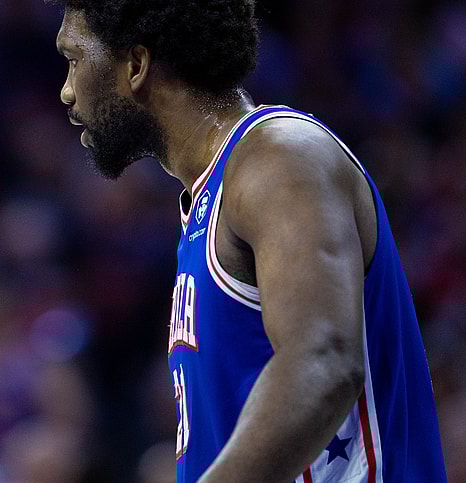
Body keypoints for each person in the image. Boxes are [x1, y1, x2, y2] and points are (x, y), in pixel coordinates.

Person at [48, 1, 448, 481]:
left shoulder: (279, 157)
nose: (67, 92)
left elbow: (323, 362)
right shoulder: (208, 200)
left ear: (135, 65)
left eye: (73, 60)